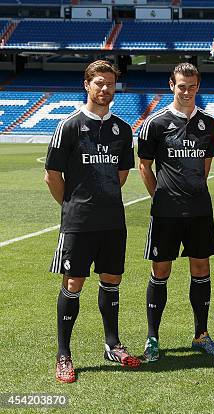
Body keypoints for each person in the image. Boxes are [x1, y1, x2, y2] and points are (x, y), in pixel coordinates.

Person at [45, 60, 140, 383]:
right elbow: (52, 176)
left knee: (112, 280)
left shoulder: (123, 129)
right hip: (79, 221)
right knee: (73, 284)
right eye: (99, 83)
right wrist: (72, 204)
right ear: (87, 84)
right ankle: (63, 354)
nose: (104, 89)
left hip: (113, 219)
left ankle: (112, 345)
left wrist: (103, 198)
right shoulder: (69, 126)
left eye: (110, 84)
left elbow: (122, 174)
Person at [137, 63, 214, 362]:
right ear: (172, 85)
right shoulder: (155, 123)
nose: (186, 91)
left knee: (201, 269)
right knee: (161, 271)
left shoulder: (210, 124)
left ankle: (201, 334)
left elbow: (206, 165)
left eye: (192, 86)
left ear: (198, 87)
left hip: (199, 210)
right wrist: (161, 196)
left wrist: (191, 190)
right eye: (181, 86)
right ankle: (152, 338)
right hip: (166, 213)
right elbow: (144, 166)